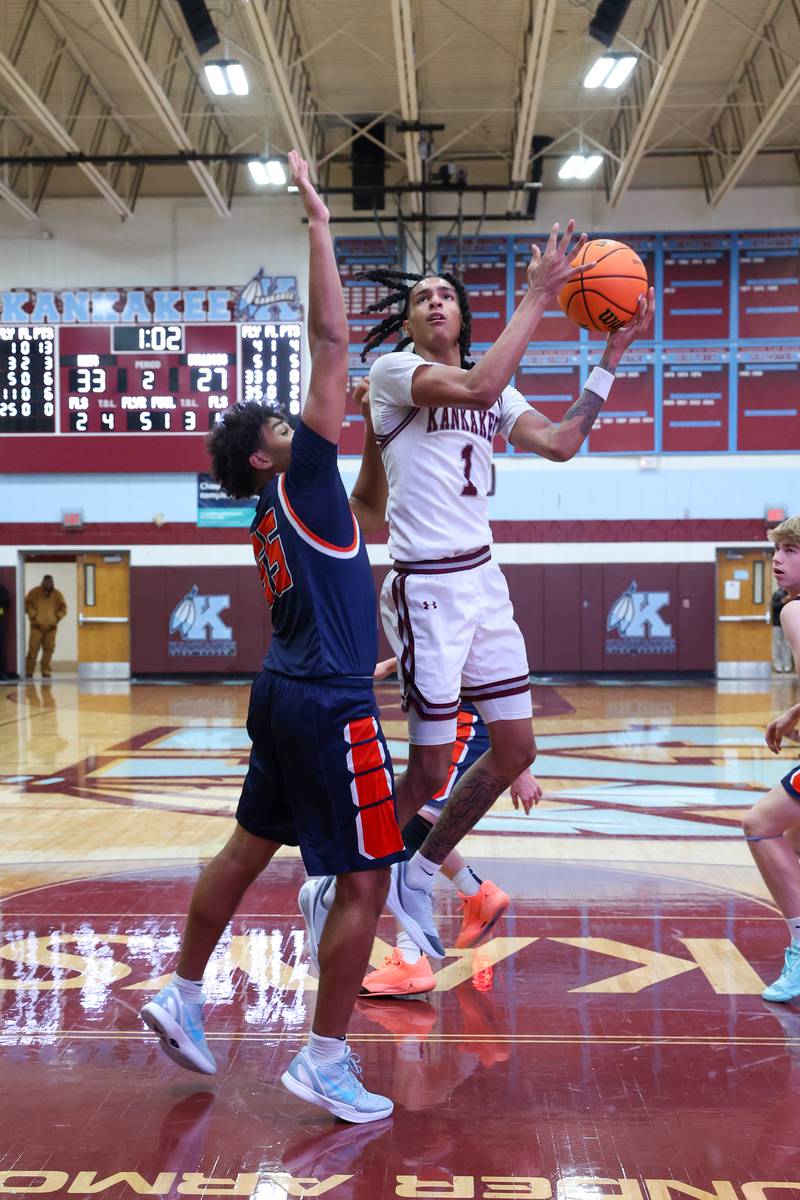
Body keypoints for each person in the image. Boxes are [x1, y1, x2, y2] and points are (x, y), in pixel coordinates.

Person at [139, 150, 405, 1125]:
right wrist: (318, 223)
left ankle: (179, 988)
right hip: (325, 706)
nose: (306, 429)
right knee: (364, 875)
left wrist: (361, 654)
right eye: (287, 430)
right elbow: (330, 340)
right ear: (265, 456)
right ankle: (324, 1059)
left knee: (250, 845)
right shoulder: (297, 482)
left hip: (287, 688)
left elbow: (329, 579)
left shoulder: (268, 513)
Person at [304, 227, 655, 960]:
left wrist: (612, 359)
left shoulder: (493, 388)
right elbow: (478, 386)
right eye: (423, 297)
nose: (435, 302)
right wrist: (539, 293)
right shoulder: (398, 371)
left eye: (446, 296)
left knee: (515, 747)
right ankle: (338, 876)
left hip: (484, 582)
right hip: (427, 586)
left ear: (462, 317)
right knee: (430, 768)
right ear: (410, 323)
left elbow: (561, 443)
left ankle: (418, 871)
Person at [361, 697, 542, 997]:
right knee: (418, 822)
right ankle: (476, 893)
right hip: (445, 720)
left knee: (406, 827)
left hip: (466, 722)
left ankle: (410, 960)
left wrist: (519, 765)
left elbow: (498, 667)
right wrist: (392, 665)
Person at [742, 515, 800, 1000]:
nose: (778, 559)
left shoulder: (793, 612)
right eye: (777, 549)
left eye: (791, 551)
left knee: (759, 824)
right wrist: (792, 713)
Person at [24, 574, 66, 678]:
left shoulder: (57, 594)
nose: (49, 584)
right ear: (43, 582)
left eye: (51, 582)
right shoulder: (34, 592)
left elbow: (63, 608)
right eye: (47, 582)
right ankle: (29, 671)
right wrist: (33, 615)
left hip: (51, 629)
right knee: (33, 650)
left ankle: (46, 670)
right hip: (36, 628)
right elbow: (26, 605)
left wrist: (56, 618)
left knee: (49, 650)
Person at [772, 585, 794, 673]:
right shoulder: (777, 594)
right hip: (777, 623)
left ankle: (787, 665)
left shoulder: (792, 595)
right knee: (777, 644)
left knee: (787, 645)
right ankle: (778, 665)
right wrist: (783, 602)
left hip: (788, 624)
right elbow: (774, 607)